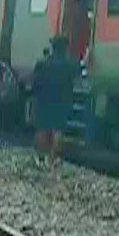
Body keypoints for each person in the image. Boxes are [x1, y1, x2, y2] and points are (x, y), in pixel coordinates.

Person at [32, 36, 79, 170]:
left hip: (44, 100)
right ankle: (51, 160)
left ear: (53, 47)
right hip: (62, 101)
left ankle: (40, 158)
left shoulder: (42, 63)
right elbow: (80, 75)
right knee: (58, 131)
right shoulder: (71, 65)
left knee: (42, 129)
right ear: (65, 48)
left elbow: (34, 83)